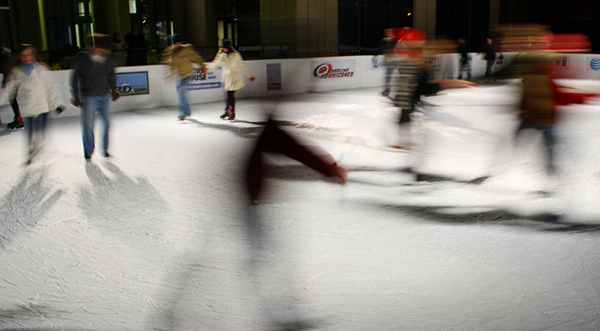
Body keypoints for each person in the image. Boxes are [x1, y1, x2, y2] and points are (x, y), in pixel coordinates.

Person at [390, 28, 475, 149]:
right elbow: (412, 77)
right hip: (408, 92)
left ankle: (403, 140)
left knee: (407, 114)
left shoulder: (414, 55)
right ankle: (400, 141)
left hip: (412, 91)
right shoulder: (409, 55)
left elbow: (418, 77)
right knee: (405, 114)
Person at [0, 44, 65, 163]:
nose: (27, 58)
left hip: (42, 105)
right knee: (30, 131)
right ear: (20, 57)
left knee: (40, 129)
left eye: (29, 54)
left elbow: (50, 88)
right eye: (24, 55)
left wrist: (57, 104)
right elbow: (10, 90)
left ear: (33, 55)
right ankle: (31, 150)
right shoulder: (16, 72)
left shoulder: (41, 70)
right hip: (28, 107)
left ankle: (39, 146)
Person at [70, 34, 120, 161]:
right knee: (88, 125)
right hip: (89, 97)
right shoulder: (83, 58)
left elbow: (111, 75)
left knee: (107, 123)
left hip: (104, 95)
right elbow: (75, 77)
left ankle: (105, 149)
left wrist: (114, 90)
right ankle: (88, 150)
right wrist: (75, 95)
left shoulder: (107, 58)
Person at [206, 39, 256, 121]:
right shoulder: (221, 54)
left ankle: (232, 112)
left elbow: (243, 65)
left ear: (229, 47)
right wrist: (206, 69)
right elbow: (215, 64)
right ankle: (227, 110)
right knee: (228, 94)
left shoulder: (235, 54)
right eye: (223, 48)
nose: (224, 49)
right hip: (226, 77)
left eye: (226, 48)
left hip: (235, 76)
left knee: (230, 94)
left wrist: (250, 75)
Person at [161, 33, 207, 121]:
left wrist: (203, 67)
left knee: (181, 94)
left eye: (174, 44)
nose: (172, 46)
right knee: (180, 94)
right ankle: (187, 111)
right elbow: (170, 65)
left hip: (187, 74)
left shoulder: (187, 49)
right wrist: (169, 76)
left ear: (177, 43)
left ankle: (183, 113)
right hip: (178, 75)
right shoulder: (171, 52)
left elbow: (197, 58)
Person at [0, 44, 24, 129]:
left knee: (12, 99)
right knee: (12, 99)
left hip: (13, 78)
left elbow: (7, 67)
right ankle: (18, 119)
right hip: (14, 77)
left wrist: (5, 81)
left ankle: (18, 119)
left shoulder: (2, 54)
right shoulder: (5, 52)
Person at [374, 28, 397, 96]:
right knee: (388, 76)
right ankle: (387, 89)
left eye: (390, 33)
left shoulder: (394, 41)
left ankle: (391, 89)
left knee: (391, 75)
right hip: (389, 60)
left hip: (394, 60)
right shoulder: (385, 41)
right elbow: (381, 48)